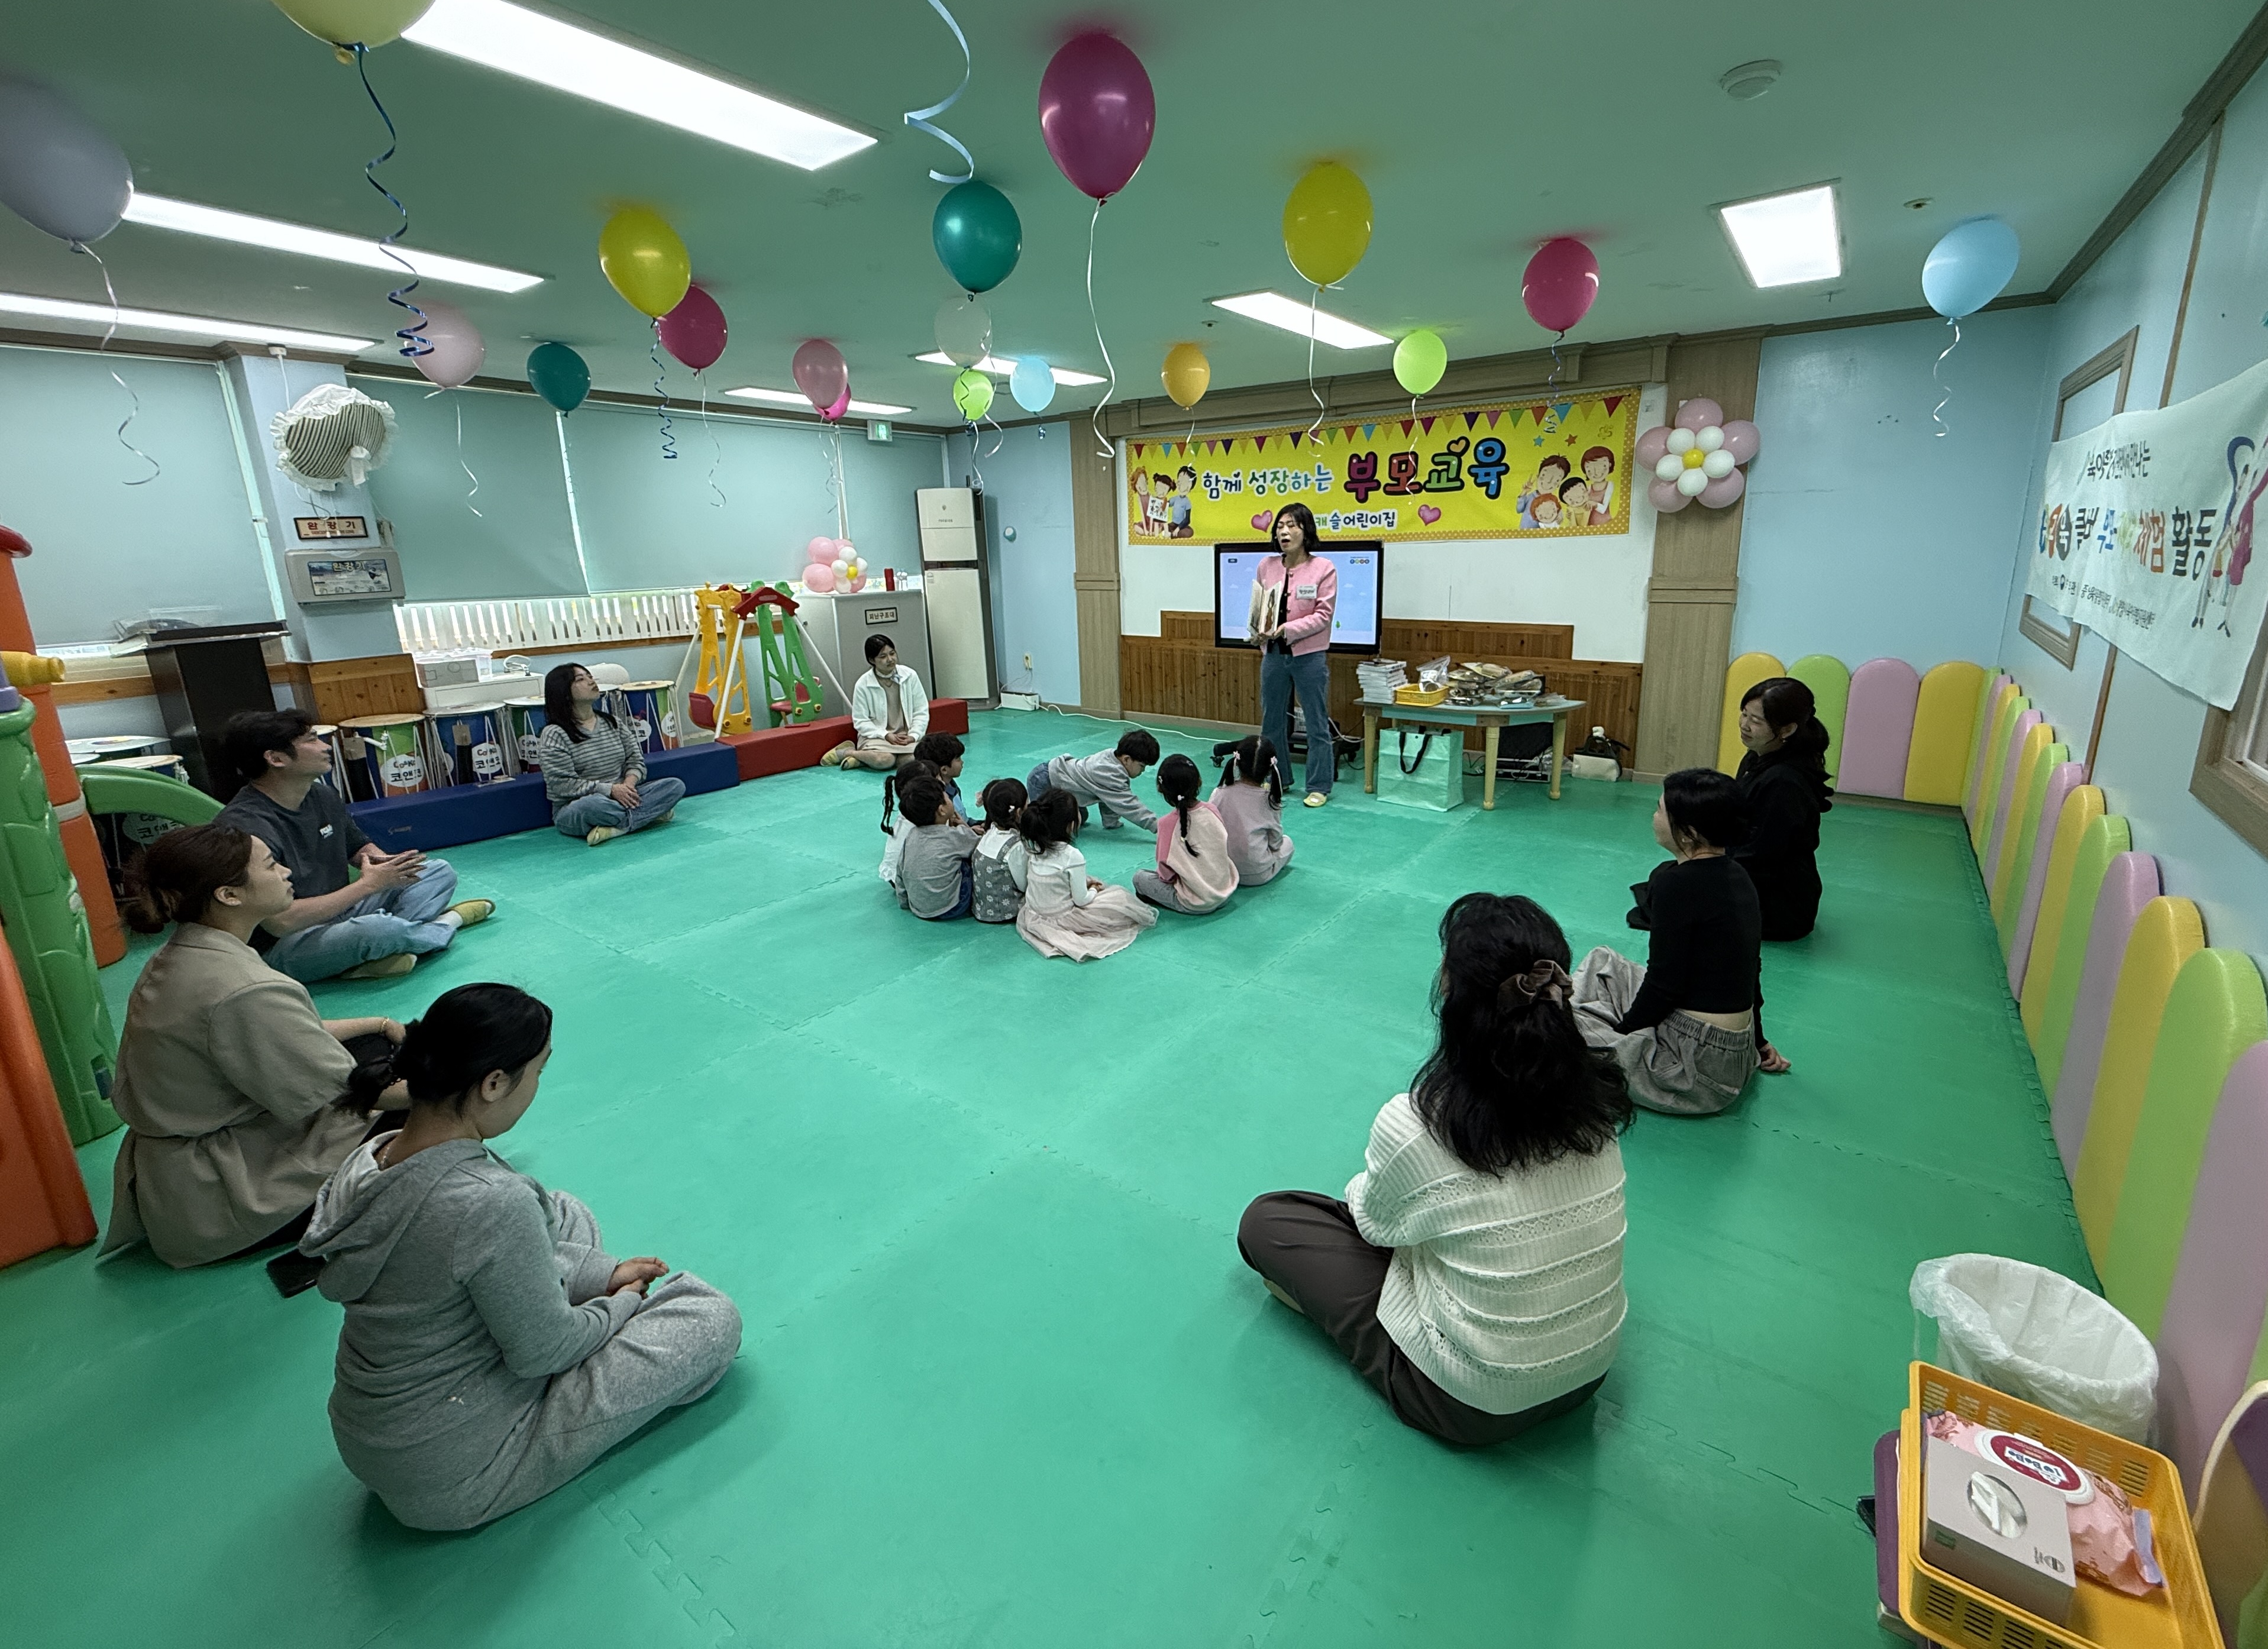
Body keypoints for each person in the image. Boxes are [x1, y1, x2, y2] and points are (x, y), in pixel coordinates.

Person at [300, 984, 742, 1532]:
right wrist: (622, 1302)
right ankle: (585, 1323)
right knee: (711, 1320)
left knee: (561, 1210)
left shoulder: (372, 1157)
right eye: (537, 1073)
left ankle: (568, 1299)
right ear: (493, 1083)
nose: (536, 1088)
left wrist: (602, 1273)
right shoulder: (488, 1200)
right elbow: (543, 1353)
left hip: (380, 1438)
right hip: (459, 1467)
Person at [1239, 893, 1630, 1447]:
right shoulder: (1599, 1102)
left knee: (1270, 1221)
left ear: (1451, 993)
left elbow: (1374, 1224)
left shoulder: (1418, 1121)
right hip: (1588, 1377)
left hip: (1469, 1406)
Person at [98, 824, 405, 1269]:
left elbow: (290, 1035)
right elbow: (357, 1090)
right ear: (229, 895)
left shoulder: (184, 954)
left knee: (375, 1046)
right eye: (270, 865)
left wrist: (378, 1022)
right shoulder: (244, 988)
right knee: (418, 1107)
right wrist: (460, 1082)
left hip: (180, 1178)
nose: (284, 871)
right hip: (226, 1194)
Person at [1570, 768, 1787, 1117]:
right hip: (1734, 1051)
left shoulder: (1678, 885)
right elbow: (1750, 969)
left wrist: (1622, 1039)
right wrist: (1757, 1042)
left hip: (1694, 1069)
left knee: (1554, 1028)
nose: (1653, 817)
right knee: (1603, 960)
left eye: (1659, 810)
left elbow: (1664, 985)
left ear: (1689, 832)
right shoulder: (1737, 874)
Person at [217, 709, 491, 984]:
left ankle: (379, 950)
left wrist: (386, 864)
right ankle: (443, 925)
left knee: (437, 871)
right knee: (380, 930)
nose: (325, 747)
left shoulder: (322, 795)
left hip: (342, 910)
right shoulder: (245, 827)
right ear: (276, 758)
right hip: (287, 944)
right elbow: (280, 922)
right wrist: (369, 885)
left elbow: (357, 847)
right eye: (311, 740)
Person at [535, 663, 686, 846]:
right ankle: (648, 817)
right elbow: (562, 785)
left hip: (626, 795)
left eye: (590, 676)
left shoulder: (612, 723)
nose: (591, 681)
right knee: (591, 805)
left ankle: (619, 827)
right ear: (564, 692)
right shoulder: (555, 733)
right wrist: (611, 790)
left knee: (674, 786)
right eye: (581, 679)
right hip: (579, 806)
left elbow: (635, 760)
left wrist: (628, 785)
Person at [1250, 502, 1339, 807]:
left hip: (1309, 656)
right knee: (1272, 721)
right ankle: (1278, 779)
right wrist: (1258, 629)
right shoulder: (1267, 565)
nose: (1284, 532)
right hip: (1273, 655)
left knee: (1316, 721)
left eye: (1292, 525)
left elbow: (1323, 616)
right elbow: (1262, 607)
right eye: (1280, 526)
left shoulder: (1324, 568)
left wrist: (1287, 629)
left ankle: (1319, 785)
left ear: (1306, 530)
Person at [1733, 676, 1834, 940]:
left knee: (1677, 889)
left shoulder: (1783, 781)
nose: (1745, 725)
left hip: (1780, 902)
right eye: (1744, 715)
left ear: (1787, 730)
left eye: (1756, 721)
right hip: (1759, 872)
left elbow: (1762, 854)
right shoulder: (1758, 755)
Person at [1013, 788, 1156, 961]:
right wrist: (1094, 889)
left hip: (1034, 914)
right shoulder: (1072, 855)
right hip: (1063, 917)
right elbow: (1081, 900)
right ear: (1071, 824)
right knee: (1119, 899)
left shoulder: (1034, 847)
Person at [1133, 754, 1239, 914]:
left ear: (1160, 789)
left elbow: (1165, 874)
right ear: (1199, 782)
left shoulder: (1166, 824)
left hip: (1195, 903)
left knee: (1140, 878)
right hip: (1226, 893)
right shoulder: (1212, 810)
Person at [826, 635, 928, 769]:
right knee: (885, 761)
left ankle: (862, 760)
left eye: (892, 654)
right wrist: (885, 735)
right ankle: (848, 752)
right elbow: (860, 721)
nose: (890, 660)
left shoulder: (910, 676)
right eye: (883, 657)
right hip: (876, 737)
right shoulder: (863, 684)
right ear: (871, 660)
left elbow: (921, 711)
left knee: (911, 761)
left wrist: (914, 735)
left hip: (905, 737)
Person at [1027, 729, 1159, 832]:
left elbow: (1109, 798)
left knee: (1081, 819)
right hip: (1045, 782)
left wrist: (1111, 823)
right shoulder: (1110, 774)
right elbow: (1129, 805)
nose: (1143, 771)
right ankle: (1017, 818)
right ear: (1126, 759)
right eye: (1142, 766)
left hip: (1064, 785)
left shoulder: (1112, 757)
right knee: (1044, 827)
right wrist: (1159, 827)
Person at [1211, 735, 1295, 887]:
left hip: (1222, 870)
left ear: (1237, 762)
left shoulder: (1220, 793)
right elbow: (1276, 843)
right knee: (1288, 844)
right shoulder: (1270, 800)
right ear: (1270, 768)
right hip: (1256, 875)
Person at [896, 774, 977, 921]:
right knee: (971, 862)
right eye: (947, 798)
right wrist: (965, 827)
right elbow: (981, 847)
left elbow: (900, 872)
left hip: (918, 907)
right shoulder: (954, 836)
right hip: (952, 907)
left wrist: (904, 901)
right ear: (942, 810)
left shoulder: (911, 835)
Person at [878, 758, 940, 901]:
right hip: (906, 879)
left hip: (894, 876)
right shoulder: (923, 817)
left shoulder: (909, 809)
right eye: (937, 782)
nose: (942, 785)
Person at [970, 777, 1029, 924]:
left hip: (981, 908)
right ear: (1019, 812)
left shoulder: (990, 831)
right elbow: (1024, 885)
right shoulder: (1015, 846)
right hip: (1006, 911)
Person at [913, 732, 967, 817]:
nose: (962, 762)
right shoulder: (938, 803)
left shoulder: (952, 785)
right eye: (958, 759)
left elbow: (964, 819)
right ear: (944, 770)